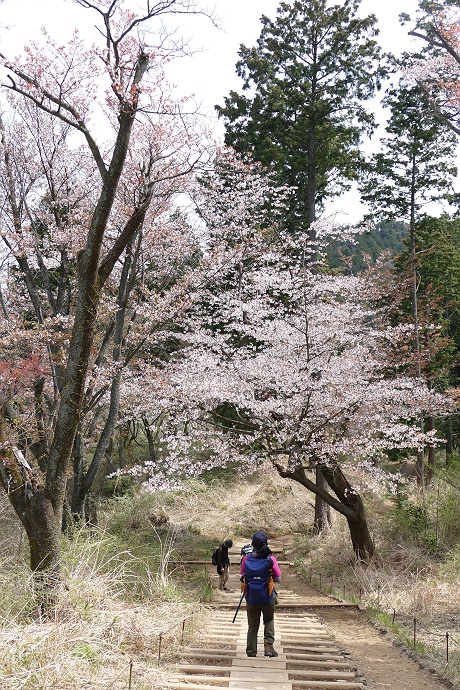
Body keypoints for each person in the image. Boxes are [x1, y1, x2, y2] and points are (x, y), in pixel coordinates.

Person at [240, 531, 281, 658]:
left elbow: (242, 576)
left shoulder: (246, 559)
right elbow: (278, 578)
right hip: (267, 596)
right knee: (268, 620)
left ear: (253, 545)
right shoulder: (271, 559)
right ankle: (268, 647)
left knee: (252, 625)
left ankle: (251, 651)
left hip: (251, 597)